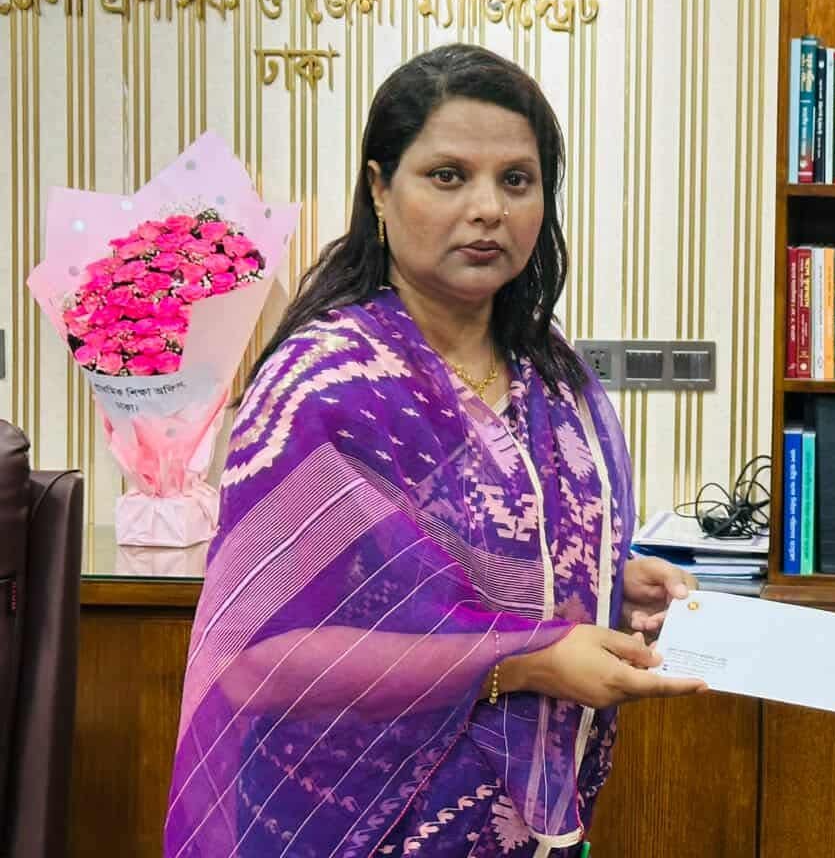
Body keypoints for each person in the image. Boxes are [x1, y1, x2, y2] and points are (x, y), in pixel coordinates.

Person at [165, 45, 705, 858]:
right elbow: (259, 660)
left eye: (516, 180)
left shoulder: (550, 371)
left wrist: (603, 582)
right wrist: (523, 662)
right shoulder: (326, 383)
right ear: (380, 188)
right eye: (448, 176)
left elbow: (460, 566)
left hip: (528, 825)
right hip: (354, 820)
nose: (488, 208)